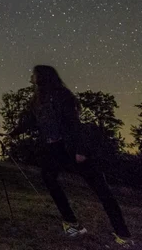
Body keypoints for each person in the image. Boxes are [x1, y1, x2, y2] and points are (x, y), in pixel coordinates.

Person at [11, 65, 134, 248]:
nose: (31, 77)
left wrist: (81, 150)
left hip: (71, 147)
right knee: (48, 177)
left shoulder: (63, 95)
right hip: (54, 149)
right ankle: (72, 224)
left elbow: (74, 125)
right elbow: (29, 121)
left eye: (34, 74)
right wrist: (10, 133)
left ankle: (123, 234)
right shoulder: (37, 100)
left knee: (100, 188)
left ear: (43, 77)